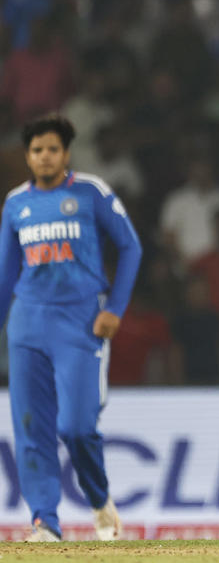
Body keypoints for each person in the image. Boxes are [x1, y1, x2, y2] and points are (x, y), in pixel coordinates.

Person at [0, 114, 142, 542]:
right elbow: (6, 274)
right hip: (28, 323)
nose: (45, 157)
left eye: (53, 149)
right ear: (27, 156)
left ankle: (99, 501)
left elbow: (130, 247)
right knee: (31, 427)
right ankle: (45, 522)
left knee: (77, 427)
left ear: (66, 154)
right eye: (37, 150)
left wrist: (115, 308)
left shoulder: (90, 192)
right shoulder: (15, 204)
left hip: (81, 321)